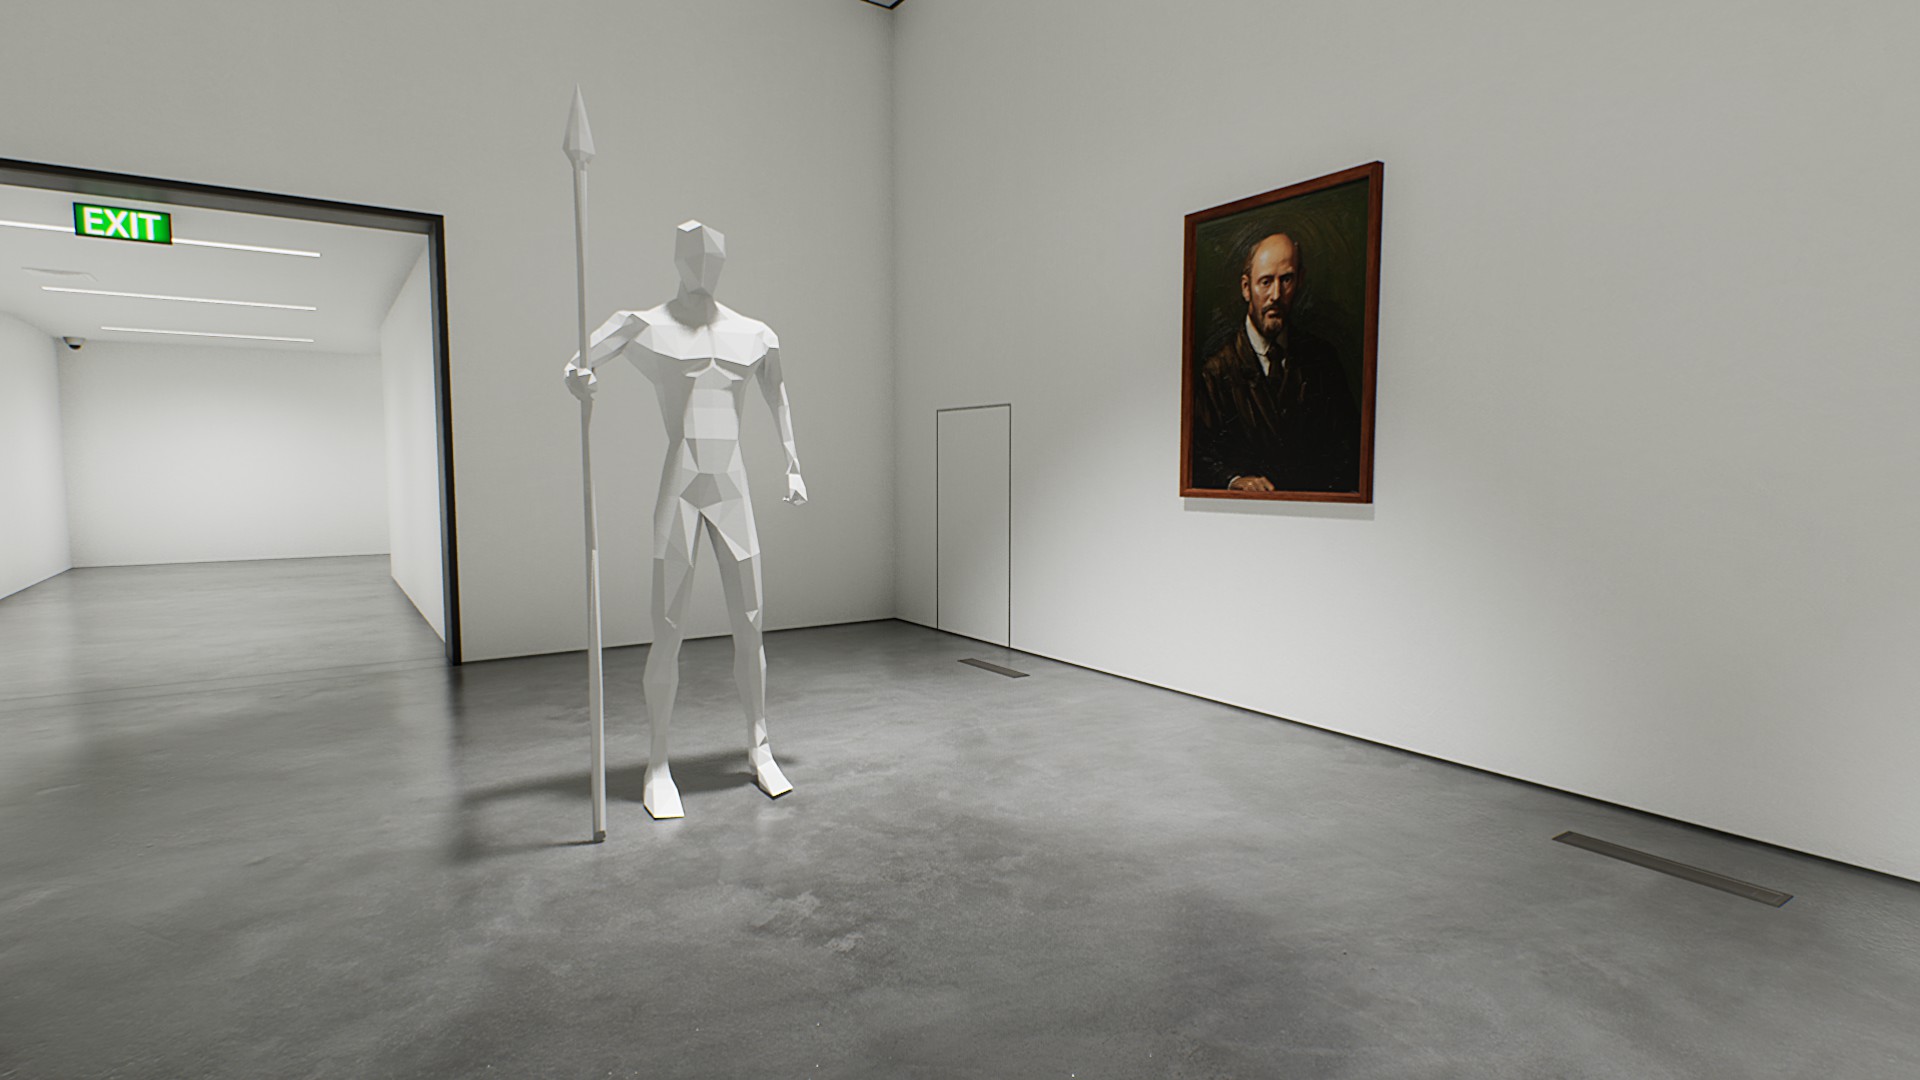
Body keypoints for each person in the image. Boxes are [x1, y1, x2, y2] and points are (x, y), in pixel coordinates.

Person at [565, 221, 806, 820]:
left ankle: (760, 747)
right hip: (682, 484)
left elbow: (778, 395)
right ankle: (658, 763)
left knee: (751, 626)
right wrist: (579, 381)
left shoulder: (754, 334)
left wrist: (793, 464)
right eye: (693, 255)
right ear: (676, 258)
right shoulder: (644, 325)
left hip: (732, 486)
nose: (703, 266)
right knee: (668, 629)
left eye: (712, 257)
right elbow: (580, 361)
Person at [1192, 231, 1359, 493]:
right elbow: (1199, 458)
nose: (1276, 295)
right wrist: (1234, 480)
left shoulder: (1323, 359)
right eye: (1266, 282)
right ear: (1246, 288)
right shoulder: (1215, 371)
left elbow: (1349, 451)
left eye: (1286, 280)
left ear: (1300, 280)